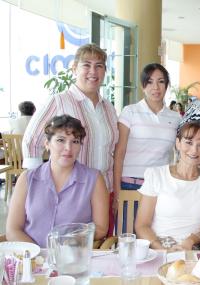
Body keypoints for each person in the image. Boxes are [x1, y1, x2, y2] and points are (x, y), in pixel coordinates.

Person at [22, 43, 118, 234]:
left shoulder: (108, 108)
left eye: (99, 65)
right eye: (86, 65)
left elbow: (112, 151)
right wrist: (35, 187)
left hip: (103, 190)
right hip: (69, 193)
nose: (93, 71)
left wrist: (114, 191)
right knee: (66, 243)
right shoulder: (59, 100)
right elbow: (31, 140)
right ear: (74, 68)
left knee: (99, 247)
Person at [6, 115, 109, 247]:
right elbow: (12, 230)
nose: (68, 148)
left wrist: (72, 241)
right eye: (61, 140)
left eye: (75, 141)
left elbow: (100, 228)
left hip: (73, 260)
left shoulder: (94, 179)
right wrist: (40, 255)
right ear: (47, 144)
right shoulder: (27, 179)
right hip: (33, 260)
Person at [135, 121, 200, 250]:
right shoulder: (156, 175)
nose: (194, 150)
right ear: (178, 143)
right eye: (189, 142)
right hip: (157, 246)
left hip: (192, 246)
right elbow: (142, 225)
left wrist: (190, 241)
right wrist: (160, 248)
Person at [113, 64, 181, 202]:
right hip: (130, 184)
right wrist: (116, 191)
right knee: (128, 224)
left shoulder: (176, 118)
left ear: (166, 85)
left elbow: (180, 153)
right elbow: (119, 153)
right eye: (150, 82)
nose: (155, 87)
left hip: (160, 185)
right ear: (143, 86)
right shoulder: (130, 111)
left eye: (161, 81)